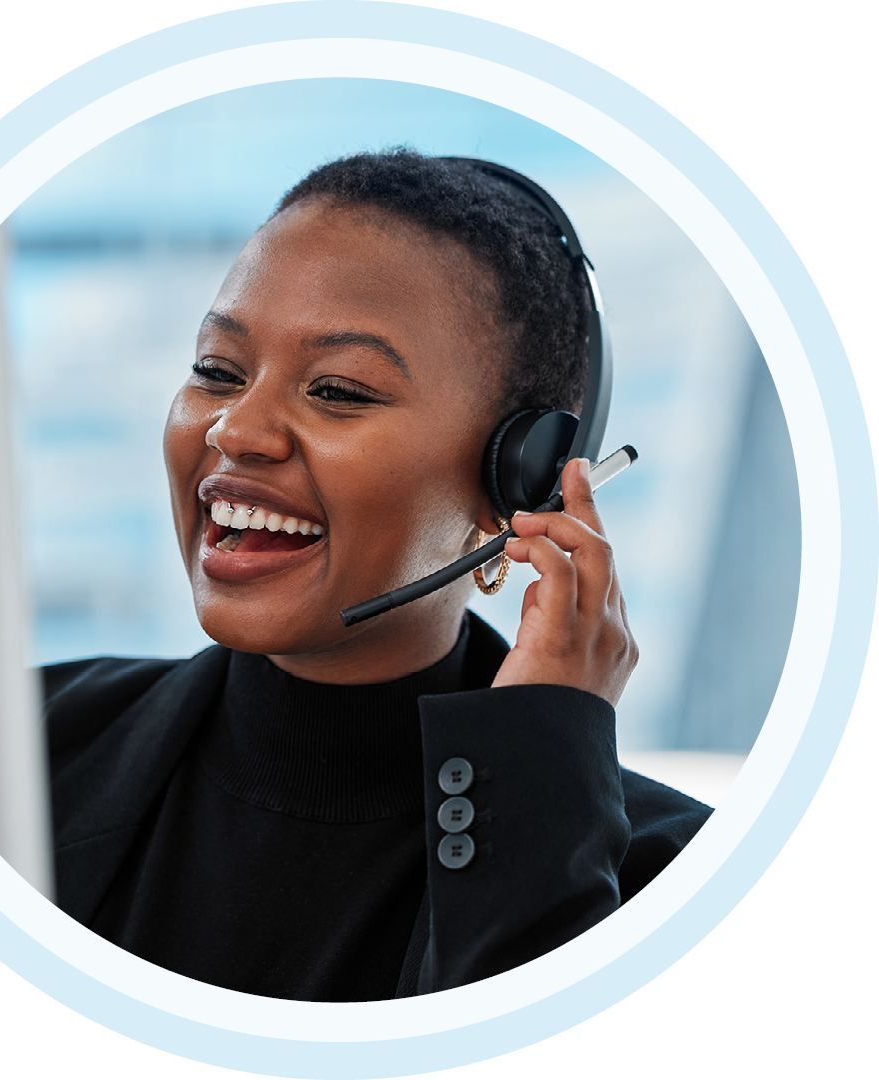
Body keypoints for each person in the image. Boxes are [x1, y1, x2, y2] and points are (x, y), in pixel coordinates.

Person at [42, 149, 712, 1001]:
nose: (238, 431)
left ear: (519, 479)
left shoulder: (673, 885)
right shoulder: (15, 746)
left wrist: (543, 751)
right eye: (217, 370)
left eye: (338, 390)